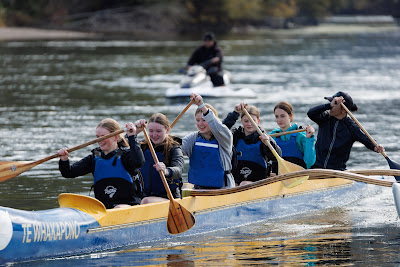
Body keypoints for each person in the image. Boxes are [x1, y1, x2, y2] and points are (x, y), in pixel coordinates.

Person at [58, 118, 145, 209]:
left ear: (116, 137)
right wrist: (64, 160)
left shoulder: (126, 156)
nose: (99, 140)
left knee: (118, 208)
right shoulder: (94, 158)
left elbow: (139, 162)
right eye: (97, 137)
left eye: (103, 136)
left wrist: (132, 137)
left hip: (128, 206)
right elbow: (68, 173)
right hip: (102, 208)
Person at [307, 91, 385, 170]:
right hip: (316, 168)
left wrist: (376, 147)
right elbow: (310, 113)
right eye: (331, 103)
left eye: (335, 104)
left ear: (344, 110)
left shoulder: (351, 127)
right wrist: (329, 105)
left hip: (337, 172)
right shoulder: (324, 119)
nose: (331, 107)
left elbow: (366, 139)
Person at [181, 93, 235, 189]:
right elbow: (177, 148)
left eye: (204, 120)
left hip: (223, 188)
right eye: (198, 120)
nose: (200, 124)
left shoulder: (224, 137)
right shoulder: (193, 138)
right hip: (199, 188)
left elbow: (217, 126)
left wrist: (202, 105)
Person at [223, 103, 282, 186]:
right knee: (233, 185)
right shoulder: (235, 135)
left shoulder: (264, 137)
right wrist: (235, 113)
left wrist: (268, 143)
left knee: (244, 184)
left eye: (252, 121)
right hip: (236, 179)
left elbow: (277, 156)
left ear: (258, 121)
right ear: (241, 121)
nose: (249, 124)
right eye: (246, 121)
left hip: (258, 180)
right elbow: (221, 131)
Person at [134, 113, 184, 204]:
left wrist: (166, 170)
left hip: (168, 197)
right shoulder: (142, 146)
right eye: (151, 131)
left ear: (167, 130)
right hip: (143, 195)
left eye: (158, 131)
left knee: (146, 201)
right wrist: (135, 132)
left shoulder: (174, 148)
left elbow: (179, 170)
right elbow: (123, 149)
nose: (154, 135)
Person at [269, 101, 316, 169]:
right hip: (278, 177)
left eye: (282, 116)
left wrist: (309, 139)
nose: (279, 120)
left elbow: (309, 162)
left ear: (290, 116)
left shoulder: (301, 135)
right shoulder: (272, 136)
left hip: (299, 176)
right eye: (277, 116)